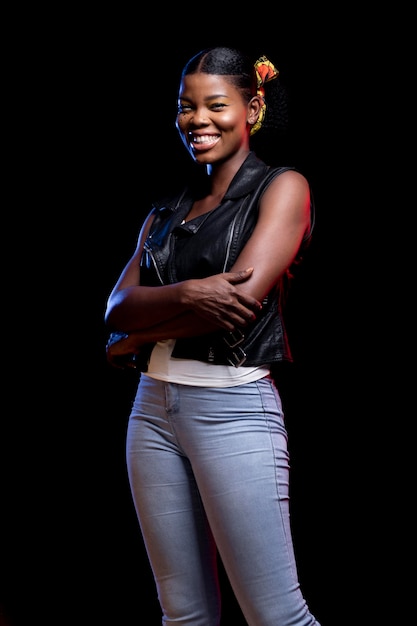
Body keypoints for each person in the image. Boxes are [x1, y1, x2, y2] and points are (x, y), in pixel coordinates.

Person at [105, 46, 321, 626]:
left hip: (234, 407)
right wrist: (186, 296)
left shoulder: (283, 188)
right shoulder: (167, 209)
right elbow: (117, 306)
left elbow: (238, 308)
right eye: (186, 107)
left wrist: (140, 337)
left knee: (276, 616)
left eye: (215, 105)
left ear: (252, 108)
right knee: (184, 615)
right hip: (151, 410)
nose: (197, 120)